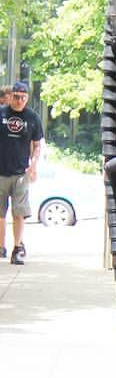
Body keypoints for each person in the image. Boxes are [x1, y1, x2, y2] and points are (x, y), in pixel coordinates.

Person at [0, 80, 45, 265]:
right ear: (10, 97)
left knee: (19, 213)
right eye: (16, 97)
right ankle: (1, 246)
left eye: (23, 97)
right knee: (0, 213)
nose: (19, 101)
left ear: (27, 98)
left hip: (20, 174)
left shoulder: (32, 117)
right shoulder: (2, 113)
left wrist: (33, 166)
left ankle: (17, 249)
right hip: (1, 171)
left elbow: (37, 145)